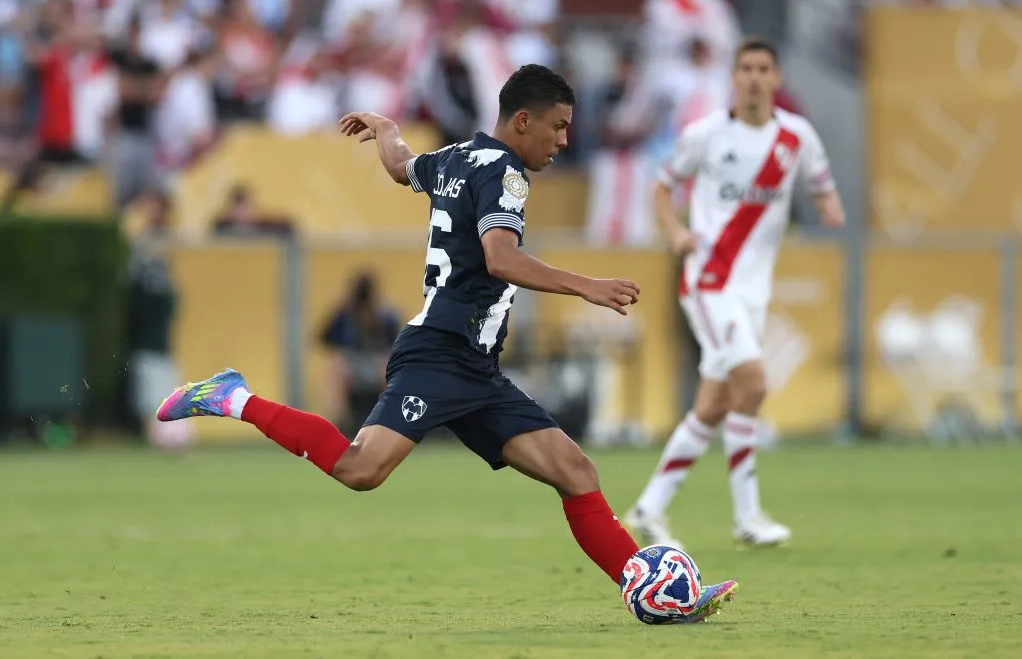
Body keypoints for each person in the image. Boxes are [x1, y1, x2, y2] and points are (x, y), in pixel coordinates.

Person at [155, 64, 737, 620]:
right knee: (361, 469)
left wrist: (387, 129)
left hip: (474, 367)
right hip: (439, 352)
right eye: (558, 126)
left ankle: (654, 592)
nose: (564, 141)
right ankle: (233, 397)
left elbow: (400, 167)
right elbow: (500, 258)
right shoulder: (504, 174)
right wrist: (587, 285)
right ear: (523, 121)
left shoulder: (456, 158)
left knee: (575, 471)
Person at [624, 38, 846, 549]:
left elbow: (822, 185)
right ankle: (748, 516)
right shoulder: (705, 135)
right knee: (754, 381)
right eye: (745, 68)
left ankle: (648, 507)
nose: (753, 77)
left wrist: (830, 206)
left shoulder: (796, 136)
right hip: (709, 279)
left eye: (763, 69)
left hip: (753, 288)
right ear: (733, 77)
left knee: (713, 404)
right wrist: (676, 233)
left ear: (776, 78)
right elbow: (661, 186)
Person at [319, 272, 401, 435]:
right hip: (352, 362)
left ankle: (390, 417)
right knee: (337, 365)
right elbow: (325, 338)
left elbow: (396, 343)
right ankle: (340, 420)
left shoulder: (385, 316)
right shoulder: (344, 315)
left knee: (386, 365)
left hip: (377, 362)